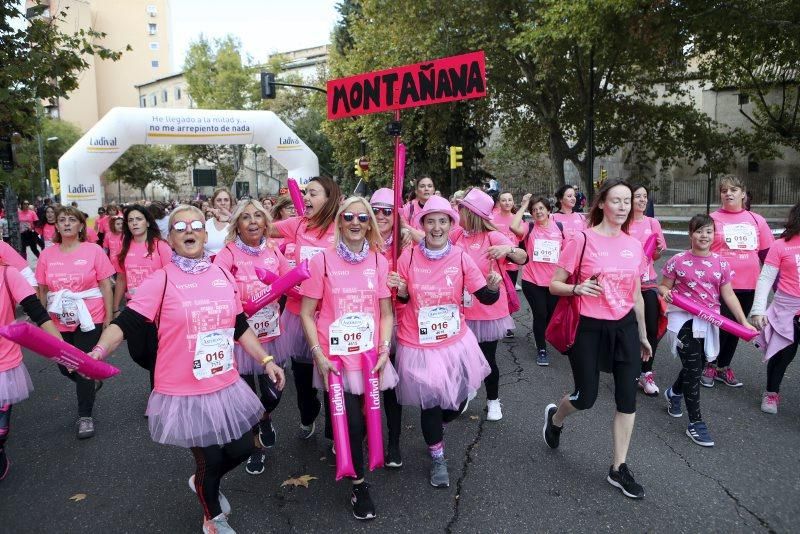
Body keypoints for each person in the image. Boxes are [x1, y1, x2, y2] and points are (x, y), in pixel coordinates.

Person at [88, 204, 285, 533]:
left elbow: (238, 327)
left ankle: (204, 482)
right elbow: (125, 324)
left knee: (243, 447)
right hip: (183, 388)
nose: (189, 230)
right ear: (170, 239)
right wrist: (97, 351)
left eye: (196, 225)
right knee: (209, 457)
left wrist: (266, 360)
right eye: (181, 227)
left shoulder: (222, 274)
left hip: (223, 381)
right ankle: (213, 519)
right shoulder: (160, 281)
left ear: (206, 235)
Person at [542, 180, 652, 500]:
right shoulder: (582, 239)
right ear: (602, 203)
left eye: (627, 201)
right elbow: (554, 285)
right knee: (586, 396)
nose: (622, 207)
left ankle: (618, 468)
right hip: (588, 326)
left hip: (625, 327)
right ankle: (556, 417)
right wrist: (577, 288)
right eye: (616, 200)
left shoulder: (633, 245)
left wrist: (643, 335)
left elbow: (636, 295)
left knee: (627, 399)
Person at [389, 195, 499, 488]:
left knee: (457, 400)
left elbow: (484, 296)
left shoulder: (460, 256)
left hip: (454, 341)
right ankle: (437, 457)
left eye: (442, 221)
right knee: (432, 404)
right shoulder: (408, 257)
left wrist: (493, 288)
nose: (436, 227)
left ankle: (439, 425)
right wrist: (400, 292)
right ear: (422, 224)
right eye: (430, 221)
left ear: (451, 224)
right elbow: (400, 302)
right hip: (418, 343)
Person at [300, 196, 398, 520]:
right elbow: (306, 313)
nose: (355, 223)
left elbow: (386, 313)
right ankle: (359, 485)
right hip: (334, 360)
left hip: (369, 359)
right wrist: (318, 355)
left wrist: (384, 349)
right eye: (349, 217)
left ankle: (346, 449)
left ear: (369, 224)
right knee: (354, 425)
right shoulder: (322, 262)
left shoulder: (379, 262)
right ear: (340, 223)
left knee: (367, 424)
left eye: (362, 218)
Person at [660, 214, 755, 447]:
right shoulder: (678, 260)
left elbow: (728, 294)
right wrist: (665, 293)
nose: (704, 236)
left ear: (715, 235)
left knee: (699, 364)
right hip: (682, 320)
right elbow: (663, 286)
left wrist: (743, 321)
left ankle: (673, 393)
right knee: (694, 369)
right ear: (691, 234)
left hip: (710, 320)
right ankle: (696, 423)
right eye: (699, 231)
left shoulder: (721, 263)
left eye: (709, 231)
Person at [214, 199, 291, 476]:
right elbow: (219, 288)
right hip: (241, 337)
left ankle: (266, 416)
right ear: (238, 225)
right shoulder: (228, 253)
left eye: (258, 216)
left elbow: (289, 281)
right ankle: (256, 445)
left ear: (266, 222)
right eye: (246, 217)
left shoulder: (273, 249)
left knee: (273, 392)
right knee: (246, 396)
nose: (253, 221)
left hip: (271, 333)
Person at [35, 206, 115, 440]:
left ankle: (85, 415)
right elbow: (42, 289)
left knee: (81, 364)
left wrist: (109, 317)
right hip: (58, 317)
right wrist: (43, 319)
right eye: (62, 220)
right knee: (64, 364)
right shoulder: (47, 255)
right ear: (56, 226)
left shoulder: (94, 251)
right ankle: (89, 380)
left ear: (81, 225)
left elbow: (105, 285)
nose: (67, 223)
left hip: (90, 315)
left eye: (72, 220)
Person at [269, 177, 340, 439]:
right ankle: (308, 413)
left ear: (329, 198)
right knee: (303, 375)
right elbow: (264, 229)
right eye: (305, 192)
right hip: (300, 314)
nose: (305, 197)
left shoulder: (343, 228)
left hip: (332, 316)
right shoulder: (297, 224)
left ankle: (335, 432)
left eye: (313, 193)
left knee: (332, 377)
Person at [453, 188, 527, 421]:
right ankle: (467, 391)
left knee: (487, 358)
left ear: (470, 213)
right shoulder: (456, 236)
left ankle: (493, 401)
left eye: (461, 209)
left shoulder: (492, 236)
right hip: (461, 309)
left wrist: (509, 249)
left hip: (488, 309)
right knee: (462, 358)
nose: (458, 212)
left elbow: (522, 257)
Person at [705, 175, 773, 388]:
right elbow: (701, 249)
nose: (729, 193)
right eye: (724, 190)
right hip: (721, 284)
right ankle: (710, 363)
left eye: (733, 190)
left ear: (743, 194)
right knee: (719, 325)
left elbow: (767, 255)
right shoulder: (712, 218)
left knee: (736, 327)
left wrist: (776, 285)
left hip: (749, 284)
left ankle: (723, 367)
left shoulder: (756, 220)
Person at [0, 262, 62, 480]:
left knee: (0, 431)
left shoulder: (8, 275)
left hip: (3, 364)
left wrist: (66, 353)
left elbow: (38, 313)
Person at [368, 188, 411, 467]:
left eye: (388, 211)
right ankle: (365, 436)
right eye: (377, 210)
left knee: (391, 386)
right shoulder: (358, 238)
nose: (382, 216)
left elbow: (415, 286)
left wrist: (404, 286)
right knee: (365, 383)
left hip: (396, 321)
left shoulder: (406, 245)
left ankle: (393, 442)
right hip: (363, 322)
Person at [111, 205, 172, 389]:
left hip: (159, 309)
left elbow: (171, 275)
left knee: (155, 352)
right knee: (137, 352)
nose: (134, 223)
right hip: (134, 308)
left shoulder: (160, 246)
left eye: (138, 219)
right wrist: (115, 309)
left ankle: (157, 395)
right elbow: (121, 279)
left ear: (147, 221)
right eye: (131, 220)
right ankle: (164, 371)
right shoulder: (124, 248)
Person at [751, 202, 800, 414]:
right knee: (783, 354)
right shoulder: (781, 245)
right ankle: (771, 392)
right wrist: (758, 310)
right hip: (786, 310)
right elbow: (766, 279)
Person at [512, 194, 564, 366]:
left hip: (554, 282)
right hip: (532, 280)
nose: (538, 212)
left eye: (541, 208)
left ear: (548, 210)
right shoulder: (530, 227)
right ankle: (542, 348)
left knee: (550, 315)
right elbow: (513, 226)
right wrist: (524, 205)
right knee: (540, 314)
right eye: (534, 210)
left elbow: (567, 252)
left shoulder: (559, 227)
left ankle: (541, 336)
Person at [628, 185, 667, 396]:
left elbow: (656, 256)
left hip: (648, 282)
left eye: (645, 197)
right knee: (629, 328)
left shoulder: (653, 223)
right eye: (638, 196)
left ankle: (646, 372)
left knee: (651, 328)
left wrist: (658, 251)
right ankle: (629, 369)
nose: (642, 200)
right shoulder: (622, 223)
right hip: (625, 284)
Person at [492, 192, 521, 338]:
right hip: (497, 264)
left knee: (509, 294)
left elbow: (522, 238)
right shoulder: (492, 219)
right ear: (499, 202)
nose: (507, 202)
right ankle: (497, 320)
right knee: (498, 293)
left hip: (512, 264)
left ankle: (507, 324)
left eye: (510, 200)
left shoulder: (517, 220)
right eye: (504, 200)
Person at [205, 189, 235, 256]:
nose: (223, 203)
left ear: (230, 203)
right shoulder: (205, 225)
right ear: (213, 203)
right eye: (219, 200)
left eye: (226, 200)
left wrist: (231, 218)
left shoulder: (236, 225)